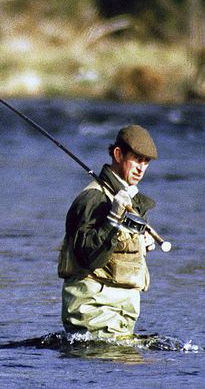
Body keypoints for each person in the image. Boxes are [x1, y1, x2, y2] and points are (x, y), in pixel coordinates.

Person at [58, 124, 158, 340]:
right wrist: (112, 219)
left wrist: (141, 243)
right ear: (118, 154)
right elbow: (88, 257)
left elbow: (118, 255)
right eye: (137, 159)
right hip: (94, 313)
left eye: (146, 162)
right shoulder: (94, 199)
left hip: (122, 315)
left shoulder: (132, 201)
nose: (141, 168)